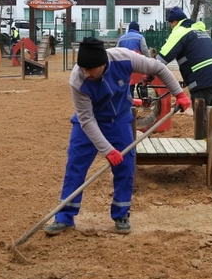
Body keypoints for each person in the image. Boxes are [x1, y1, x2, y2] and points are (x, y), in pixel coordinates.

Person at [44, 37, 191, 236]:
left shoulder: (125, 58)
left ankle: (121, 214)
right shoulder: (77, 79)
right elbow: (87, 120)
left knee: (126, 165)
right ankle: (64, 217)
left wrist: (178, 93)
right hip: (88, 121)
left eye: (90, 70)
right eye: (83, 69)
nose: (86, 73)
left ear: (103, 64)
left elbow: (158, 67)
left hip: (119, 119)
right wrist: (108, 150)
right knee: (75, 165)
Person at [157, 7, 212, 155]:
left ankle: (205, 150)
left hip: (202, 78)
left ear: (174, 22)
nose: (171, 27)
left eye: (170, 24)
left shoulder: (180, 31)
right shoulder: (199, 30)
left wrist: (149, 72)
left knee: (201, 113)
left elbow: (163, 57)